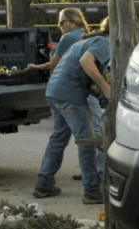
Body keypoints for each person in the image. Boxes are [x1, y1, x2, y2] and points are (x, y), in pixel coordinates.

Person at [33, 17, 111, 205]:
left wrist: (96, 89)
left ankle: (44, 183)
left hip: (54, 91)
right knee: (86, 142)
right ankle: (92, 191)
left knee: (58, 138)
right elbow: (85, 61)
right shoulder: (105, 42)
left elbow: (76, 68)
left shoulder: (87, 41)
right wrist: (105, 87)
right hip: (70, 95)